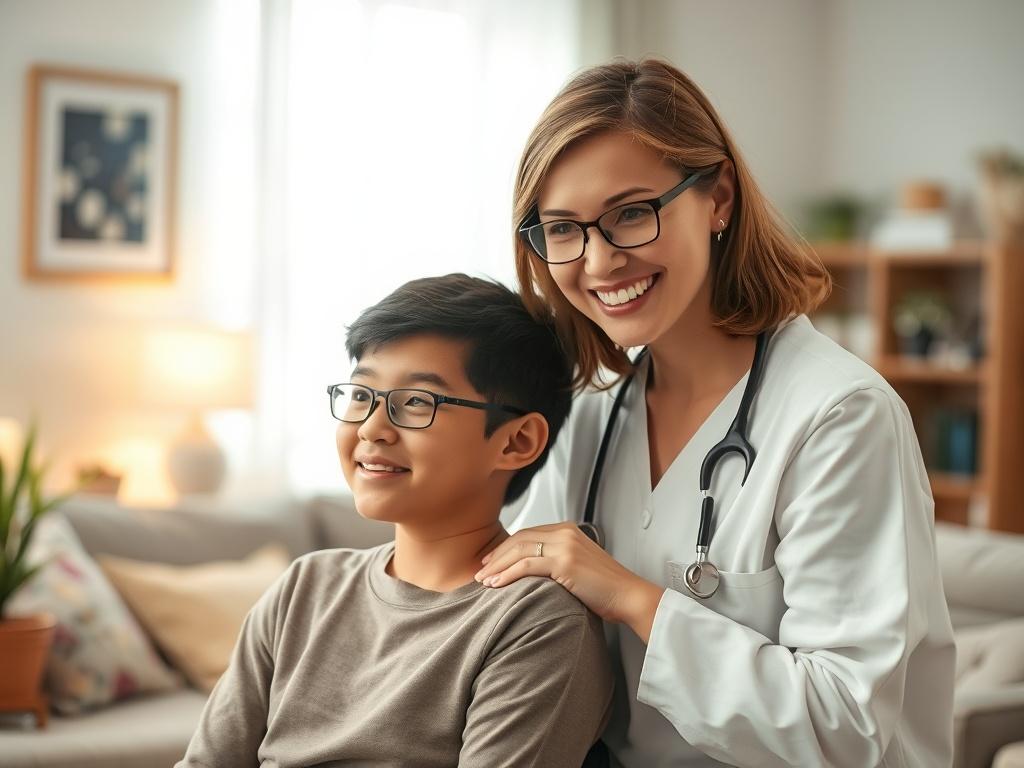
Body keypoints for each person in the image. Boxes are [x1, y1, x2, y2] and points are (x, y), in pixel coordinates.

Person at [475, 58, 957, 767]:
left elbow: (845, 727)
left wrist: (634, 598)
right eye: (562, 229)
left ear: (719, 198)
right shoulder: (592, 418)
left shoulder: (840, 417)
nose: (599, 261)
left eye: (631, 214)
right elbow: (514, 614)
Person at [177, 274, 613, 768]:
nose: (371, 428)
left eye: (416, 403)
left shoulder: (536, 622)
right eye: (362, 395)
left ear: (516, 442)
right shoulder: (304, 588)